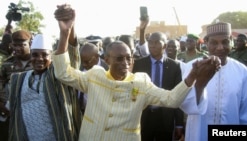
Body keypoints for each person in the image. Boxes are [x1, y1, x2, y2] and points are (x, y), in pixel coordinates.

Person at [52, 5, 221, 141]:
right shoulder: (95, 75)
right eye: (119, 59)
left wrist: (192, 76)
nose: (125, 63)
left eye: (129, 58)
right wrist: (65, 33)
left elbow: (172, 100)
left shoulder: (141, 83)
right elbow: (63, 73)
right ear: (107, 60)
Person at [8, 4, 82, 141]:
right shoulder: (19, 79)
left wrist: (67, 31)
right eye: (35, 55)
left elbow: (70, 56)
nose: (40, 59)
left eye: (45, 55)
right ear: (31, 56)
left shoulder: (58, 75)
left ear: (52, 57)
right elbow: (13, 109)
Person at [181, 22, 247, 141]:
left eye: (225, 42)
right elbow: (185, 105)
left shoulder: (242, 72)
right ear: (206, 43)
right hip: (199, 134)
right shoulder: (191, 67)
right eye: (214, 42)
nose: (220, 47)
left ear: (231, 42)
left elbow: (246, 114)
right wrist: (200, 83)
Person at [132, 32, 184, 141]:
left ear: (164, 46)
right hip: (144, 116)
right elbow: (134, 90)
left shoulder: (174, 66)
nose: (152, 45)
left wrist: (179, 124)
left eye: (156, 42)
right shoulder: (139, 64)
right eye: (150, 42)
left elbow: (178, 95)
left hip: (165, 117)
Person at [0, 29, 33, 141]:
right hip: (9, 112)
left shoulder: (39, 61)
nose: (17, 48)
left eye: (22, 45)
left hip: (32, 111)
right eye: (15, 45)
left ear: (30, 44)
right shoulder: (7, 64)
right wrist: (2, 105)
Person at [78, 42, 109, 115]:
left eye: (87, 62)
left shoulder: (108, 69)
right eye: (81, 61)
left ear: (97, 56)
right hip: (81, 113)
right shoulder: (79, 67)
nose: (83, 64)